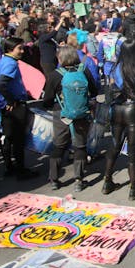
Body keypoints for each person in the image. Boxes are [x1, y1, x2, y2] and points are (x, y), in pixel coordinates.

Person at [40, 45, 99, 191]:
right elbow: (94, 90)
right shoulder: (83, 70)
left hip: (61, 113)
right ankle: (79, 180)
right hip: (81, 112)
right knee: (80, 146)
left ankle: (54, 179)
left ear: (60, 58)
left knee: (59, 145)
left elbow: (47, 99)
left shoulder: (55, 75)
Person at [102, 44, 135, 199]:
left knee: (115, 145)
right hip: (131, 108)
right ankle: (133, 188)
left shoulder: (116, 67)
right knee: (132, 148)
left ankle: (107, 181)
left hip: (117, 108)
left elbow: (111, 86)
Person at [0, 37, 39, 180]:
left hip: (3, 105)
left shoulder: (2, 61)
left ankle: (8, 166)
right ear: (10, 49)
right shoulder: (11, 64)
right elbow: (0, 84)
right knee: (18, 139)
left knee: (7, 136)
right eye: (19, 48)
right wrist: (11, 100)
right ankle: (21, 170)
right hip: (14, 106)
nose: (22, 51)